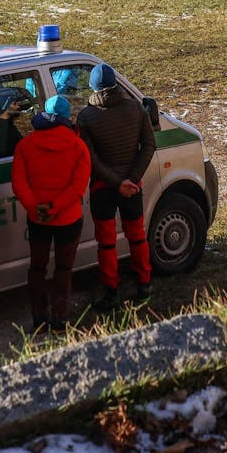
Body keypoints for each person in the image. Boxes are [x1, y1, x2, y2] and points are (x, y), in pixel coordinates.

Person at [76, 64, 156, 308]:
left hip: (103, 187)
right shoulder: (136, 108)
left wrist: (116, 182)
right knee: (137, 236)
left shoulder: (86, 117)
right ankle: (144, 284)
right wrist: (131, 179)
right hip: (133, 185)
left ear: (93, 86)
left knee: (107, 241)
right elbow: (149, 146)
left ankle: (111, 290)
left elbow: (91, 159)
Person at [10, 96, 90, 331]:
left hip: (38, 219)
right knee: (63, 268)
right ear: (67, 117)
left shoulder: (25, 145)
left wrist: (37, 208)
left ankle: (38, 318)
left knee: (37, 268)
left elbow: (19, 183)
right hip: (68, 218)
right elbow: (78, 187)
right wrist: (56, 208)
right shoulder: (78, 146)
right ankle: (60, 319)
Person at [0, 93, 28, 160]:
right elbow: (3, 158)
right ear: (4, 108)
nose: (18, 106)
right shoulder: (0, 130)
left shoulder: (6, 125)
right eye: (14, 104)